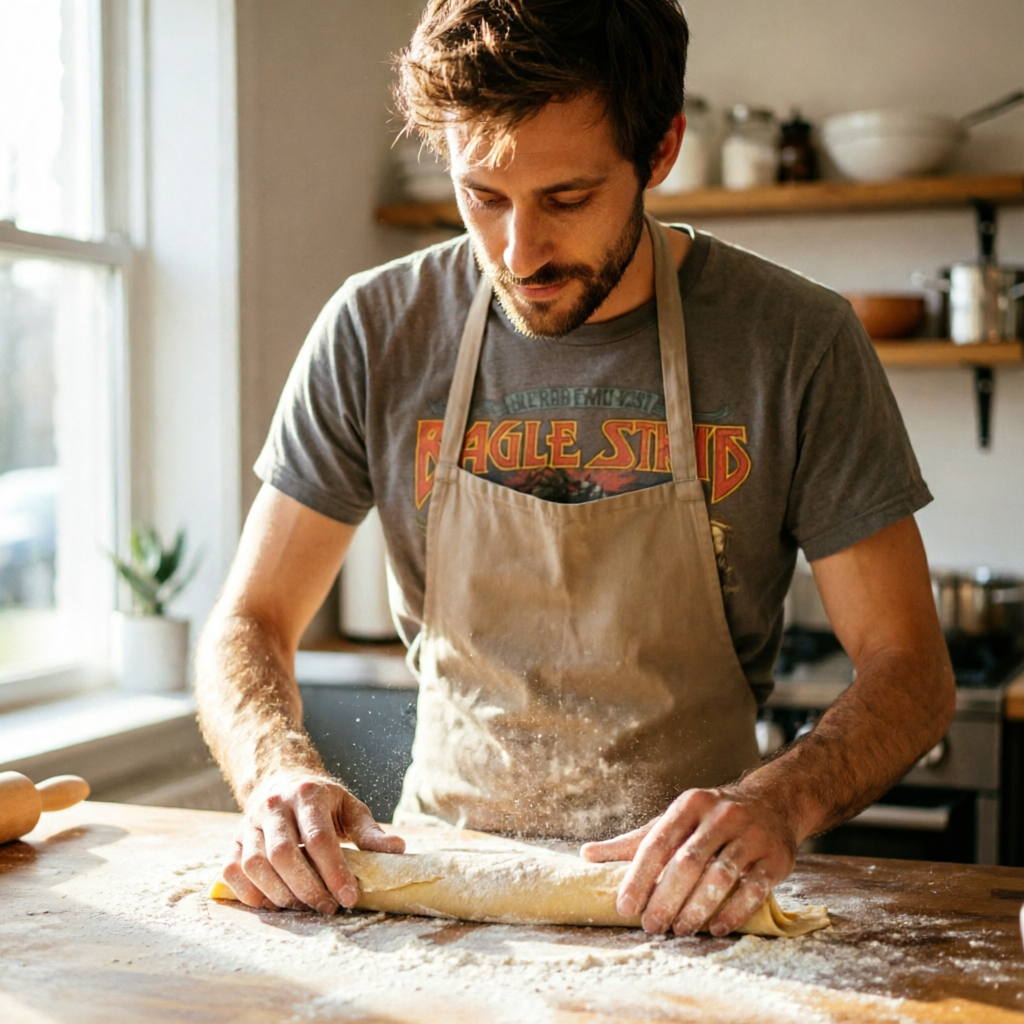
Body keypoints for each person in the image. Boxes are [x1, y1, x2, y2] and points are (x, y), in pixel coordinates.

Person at [195, 0, 955, 936]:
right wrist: (275, 771)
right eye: (483, 196)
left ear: (662, 150)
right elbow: (250, 618)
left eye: (567, 199)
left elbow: (911, 669)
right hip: (438, 892)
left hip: (698, 899)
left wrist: (780, 802)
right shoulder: (376, 329)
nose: (519, 254)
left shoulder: (794, 342)